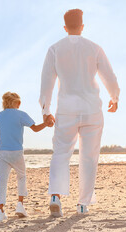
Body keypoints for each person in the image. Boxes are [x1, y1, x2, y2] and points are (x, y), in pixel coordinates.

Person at [40, 9, 120, 217]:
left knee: (60, 153)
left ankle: (56, 196)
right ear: (82, 26)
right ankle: (83, 204)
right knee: (89, 156)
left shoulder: (55, 49)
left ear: (65, 27)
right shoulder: (94, 48)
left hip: (66, 110)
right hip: (92, 109)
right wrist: (115, 97)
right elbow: (109, 77)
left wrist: (45, 110)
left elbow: (47, 81)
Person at [0, 92, 48, 222]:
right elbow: (35, 129)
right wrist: (46, 124)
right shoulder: (21, 114)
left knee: (1, 181)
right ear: (17, 103)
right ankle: (20, 205)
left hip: (3, 153)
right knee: (21, 177)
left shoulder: (0, 115)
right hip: (17, 153)